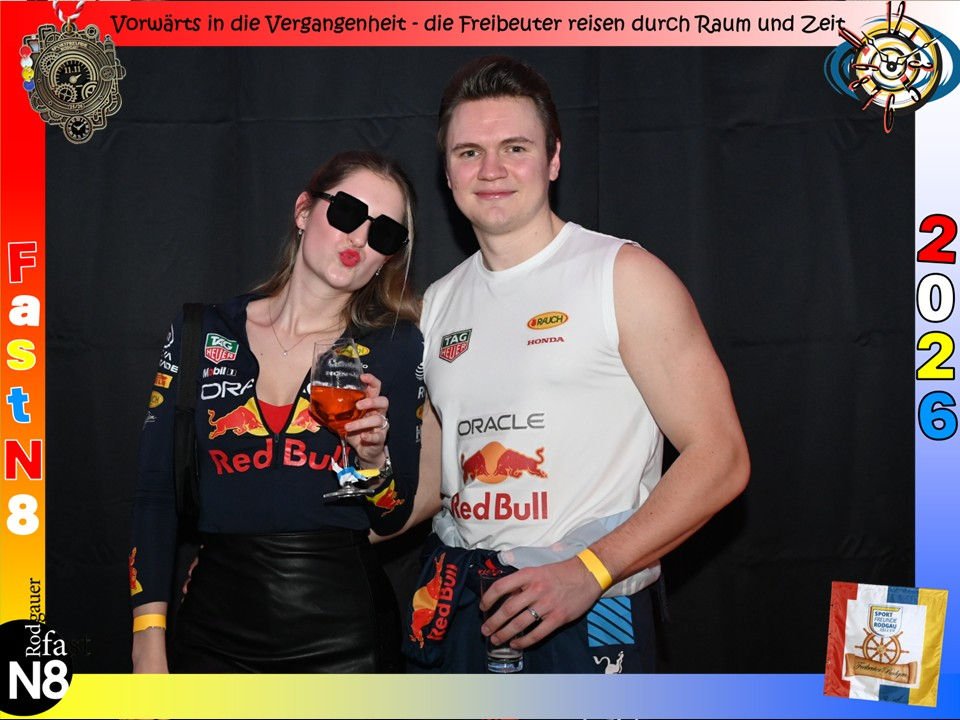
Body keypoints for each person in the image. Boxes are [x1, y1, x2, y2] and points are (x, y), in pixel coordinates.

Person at [407, 56, 751, 673]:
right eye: (468, 152)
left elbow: (720, 456)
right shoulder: (437, 303)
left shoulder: (621, 275)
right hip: (462, 600)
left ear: (553, 160)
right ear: (448, 171)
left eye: (515, 148)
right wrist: (285, 526)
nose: (491, 170)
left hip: (593, 604)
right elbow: (430, 481)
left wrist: (589, 571)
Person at [129, 150, 425, 673]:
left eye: (383, 233)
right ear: (304, 211)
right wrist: (147, 640)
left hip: (346, 635)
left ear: (389, 257)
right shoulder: (202, 331)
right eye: (348, 213)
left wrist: (372, 460)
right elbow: (156, 494)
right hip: (213, 624)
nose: (359, 239)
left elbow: (393, 514)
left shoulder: (395, 348)